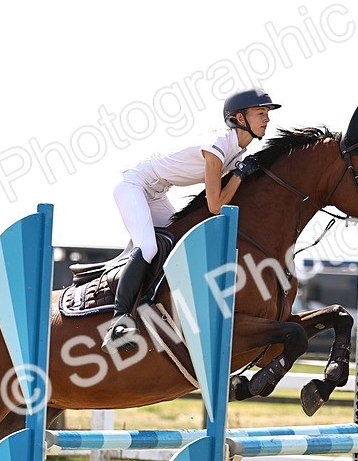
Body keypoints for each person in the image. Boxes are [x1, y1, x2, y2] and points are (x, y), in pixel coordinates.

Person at [101, 87, 281, 351]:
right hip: (134, 186)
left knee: (177, 246)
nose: (267, 119)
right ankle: (118, 322)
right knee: (149, 247)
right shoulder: (219, 146)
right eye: (261, 113)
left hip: (157, 193)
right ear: (240, 118)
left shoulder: (237, 154)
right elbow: (216, 204)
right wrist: (239, 176)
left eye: (267, 113)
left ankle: (152, 306)